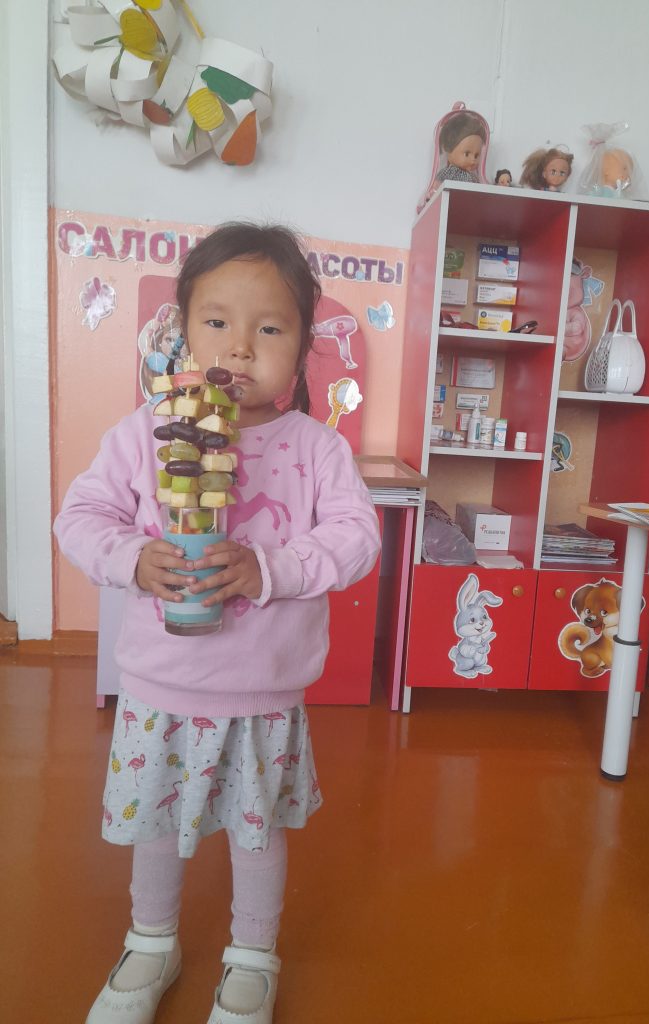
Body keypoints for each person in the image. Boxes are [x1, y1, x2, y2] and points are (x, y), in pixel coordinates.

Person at [54, 222, 382, 1024]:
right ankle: (151, 939)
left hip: (261, 693)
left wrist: (271, 570)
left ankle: (253, 954)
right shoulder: (144, 434)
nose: (240, 346)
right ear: (183, 331)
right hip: (160, 685)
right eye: (217, 322)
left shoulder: (317, 450)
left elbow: (357, 537)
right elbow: (80, 517)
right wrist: (134, 558)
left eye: (269, 329)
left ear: (301, 348)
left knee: (256, 831)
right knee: (155, 824)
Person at [434, 110, 487, 183]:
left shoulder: (473, 177)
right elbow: (437, 184)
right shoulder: (448, 173)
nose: (473, 160)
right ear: (449, 148)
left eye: (476, 156)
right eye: (467, 154)